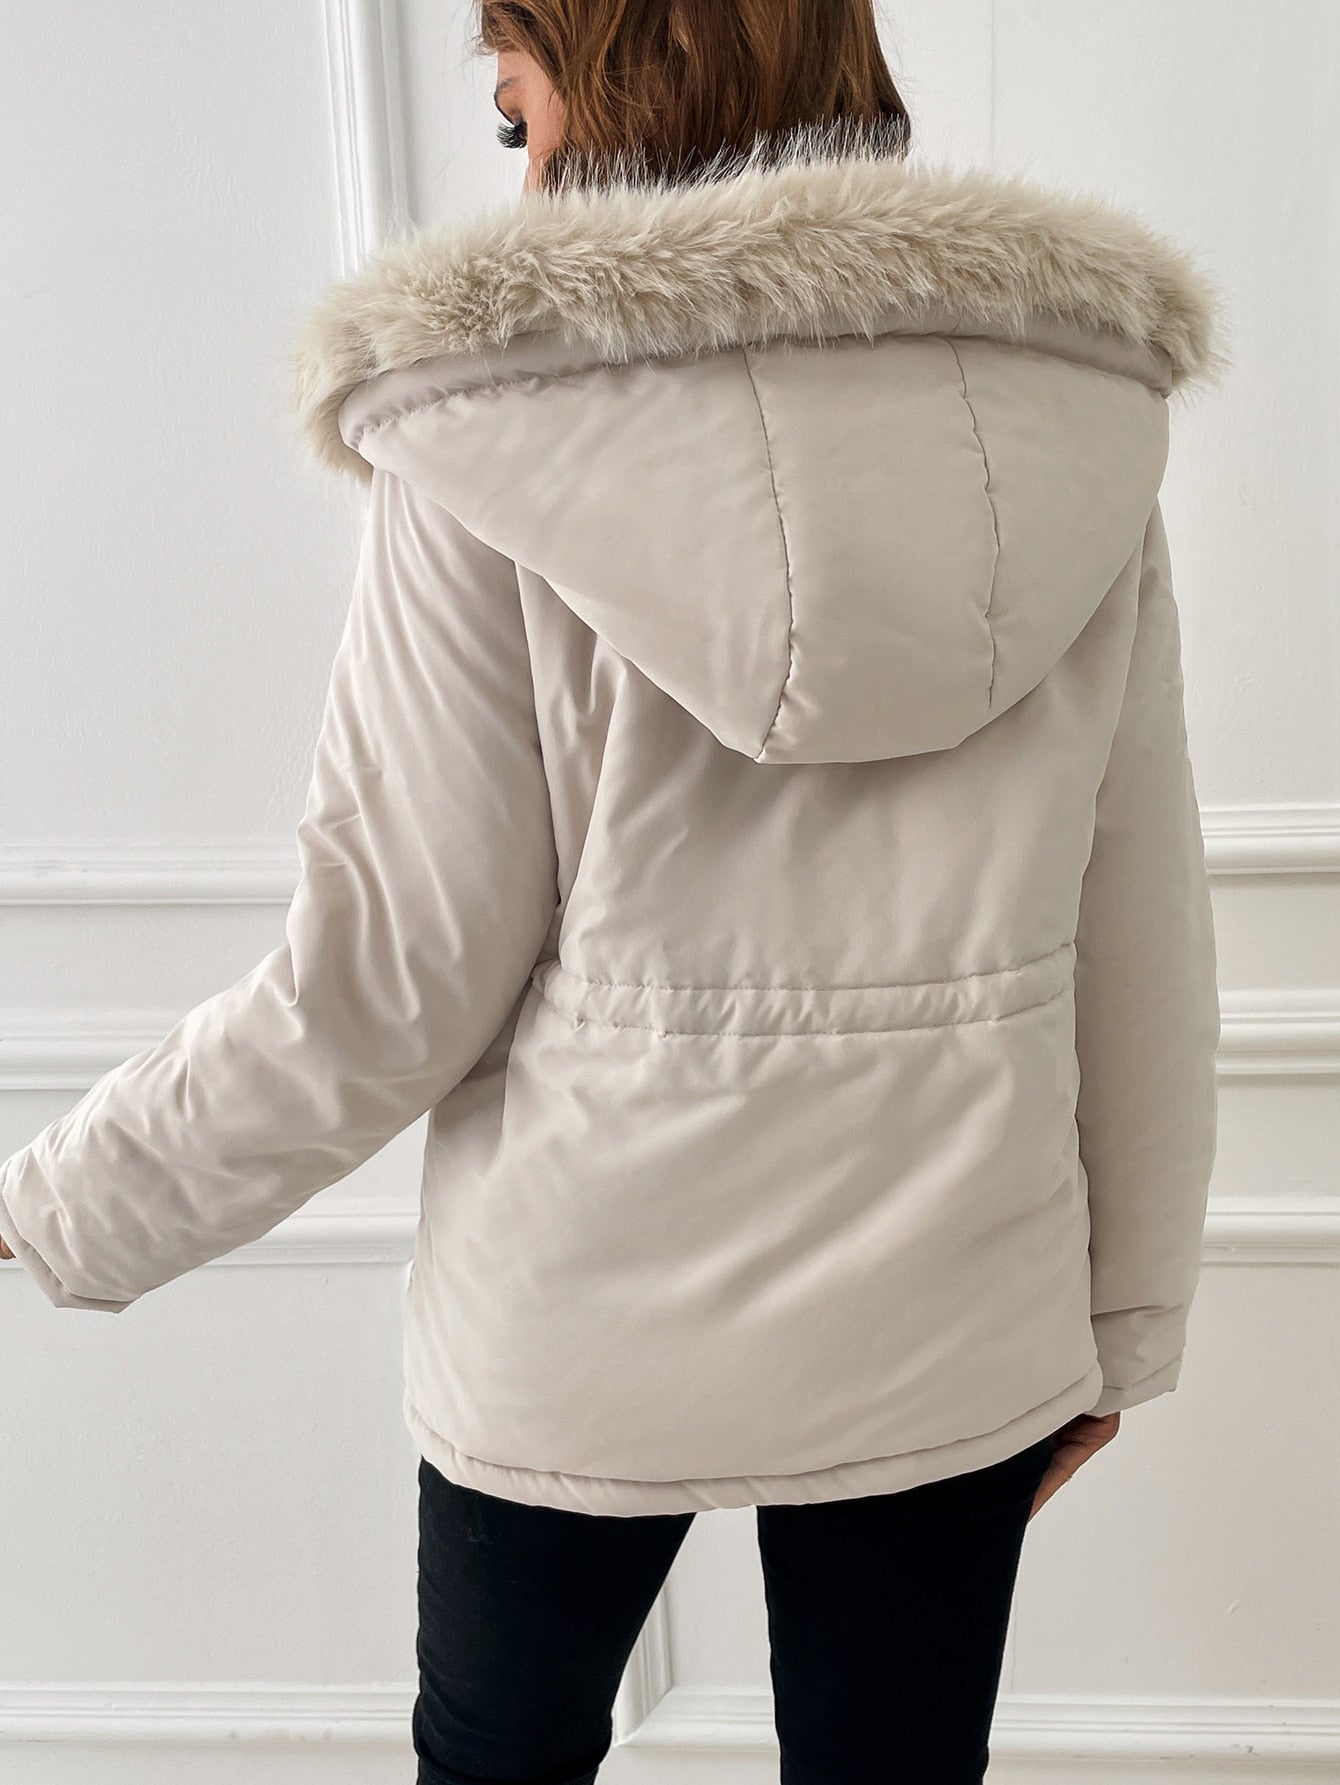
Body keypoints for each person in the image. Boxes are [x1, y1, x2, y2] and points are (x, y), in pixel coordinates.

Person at [0, 1, 1225, 1779]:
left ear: (631, 81)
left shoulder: (485, 430)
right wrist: (1123, 1322)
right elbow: (1142, 930)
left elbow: (384, 986)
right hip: (954, 1309)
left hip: (573, 1317)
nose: (524, 179)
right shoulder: (1072, 423)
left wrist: (50, 1206)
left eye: (521, 114)